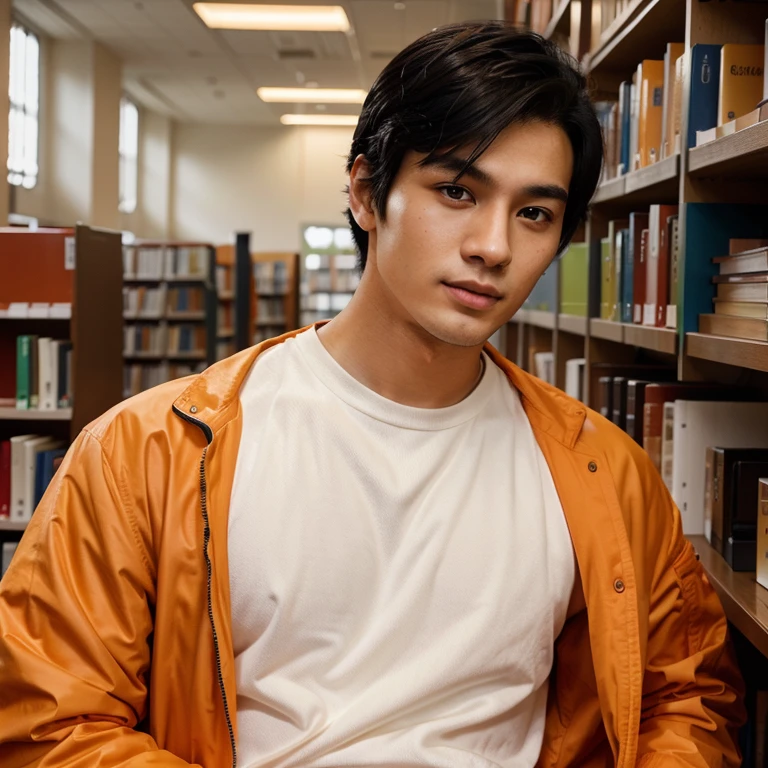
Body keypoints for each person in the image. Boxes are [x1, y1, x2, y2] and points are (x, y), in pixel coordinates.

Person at [0, 20, 744, 768]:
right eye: (456, 190)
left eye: (534, 213)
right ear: (365, 193)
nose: (493, 246)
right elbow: (51, 722)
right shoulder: (147, 454)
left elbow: (685, 700)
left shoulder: (606, 475)